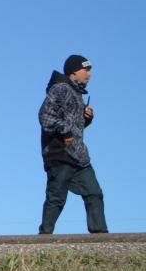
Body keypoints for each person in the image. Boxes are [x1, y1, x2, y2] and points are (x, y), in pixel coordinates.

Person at [39, 55, 107, 234]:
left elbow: (73, 127)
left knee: (94, 193)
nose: (89, 74)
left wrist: (86, 119)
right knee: (56, 199)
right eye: (86, 70)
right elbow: (45, 117)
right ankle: (43, 239)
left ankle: (101, 238)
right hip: (60, 154)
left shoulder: (76, 94)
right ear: (74, 72)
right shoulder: (60, 89)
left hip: (79, 157)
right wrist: (66, 132)